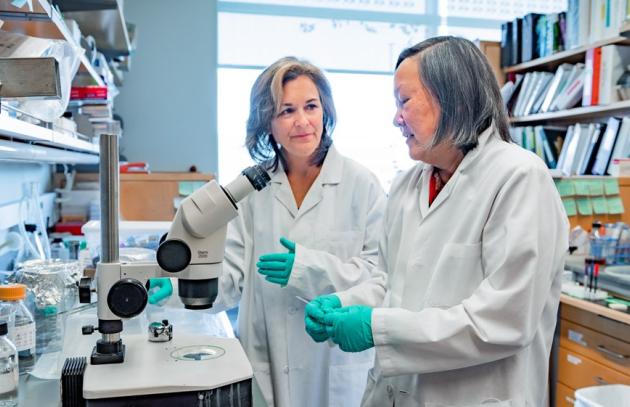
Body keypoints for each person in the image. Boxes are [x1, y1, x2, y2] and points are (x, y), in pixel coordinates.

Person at [305, 36, 569, 406]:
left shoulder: (519, 178)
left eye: (404, 101)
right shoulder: (407, 185)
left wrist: (375, 327)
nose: (396, 118)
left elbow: (505, 320)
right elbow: (391, 282)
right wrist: (343, 302)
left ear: (452, 98)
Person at [214, 56, 387, 407]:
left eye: (311, 106)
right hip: (269, 363)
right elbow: (229, 278)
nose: (302, 121)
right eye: (286, 111)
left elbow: (380, 274)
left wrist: (308, 269)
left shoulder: (361, 184)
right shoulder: (251, 189)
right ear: (268, 122)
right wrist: (177, 287)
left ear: (326, 111)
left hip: (336, 363)